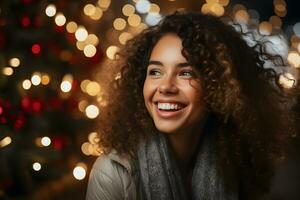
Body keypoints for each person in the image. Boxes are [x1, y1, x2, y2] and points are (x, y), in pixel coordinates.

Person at [86, 11, 296, 200]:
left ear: (219, 87)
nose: (166, 87)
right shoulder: (113, 173)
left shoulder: (239, 165)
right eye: (155, 72)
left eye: (186, 72)